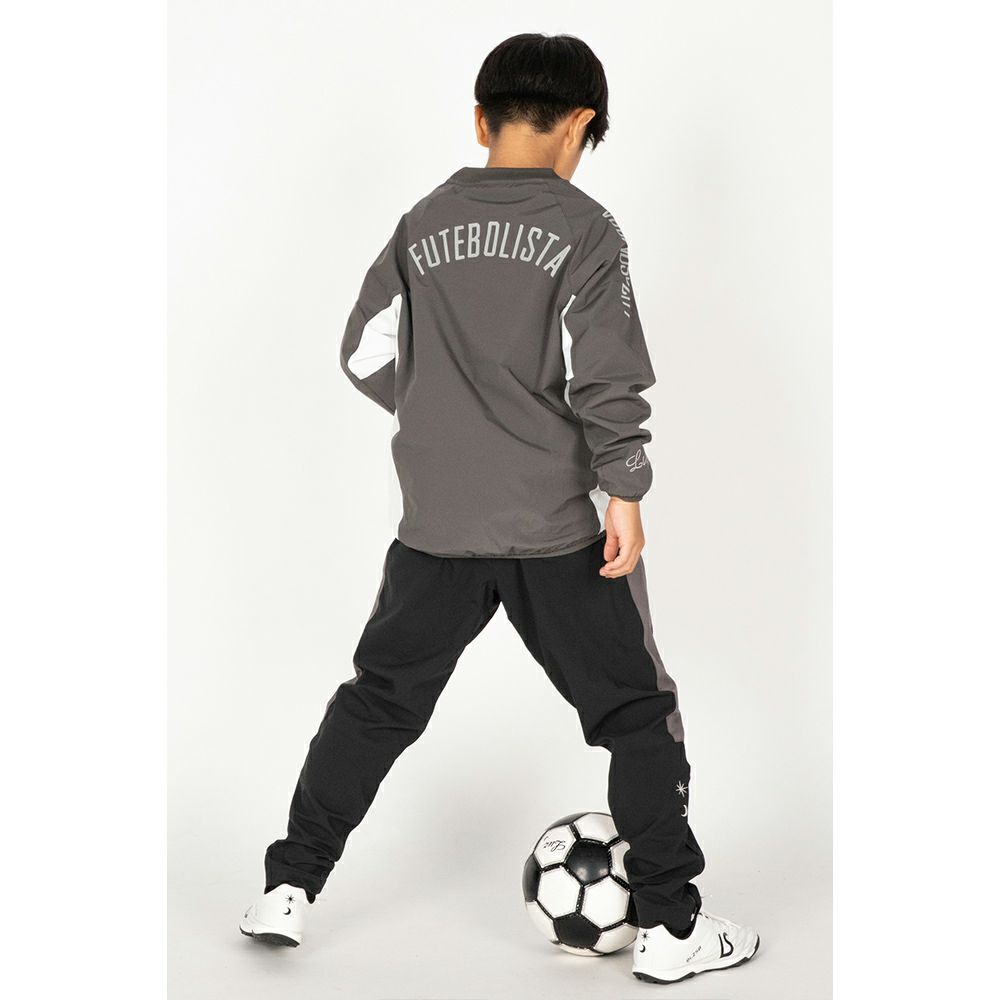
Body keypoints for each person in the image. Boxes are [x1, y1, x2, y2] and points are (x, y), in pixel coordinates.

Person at [239, 32, 759, 986]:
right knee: (636, 713)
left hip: (433, 533)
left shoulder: (422, 223)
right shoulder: (588, 231)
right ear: (583, 124)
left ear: (481, 120)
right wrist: (626, 491)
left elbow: (362, 352)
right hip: (556, 531)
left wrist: (446, 416)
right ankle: (672, 926)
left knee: (376, 704)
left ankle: (288, 887)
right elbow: (606, 378)